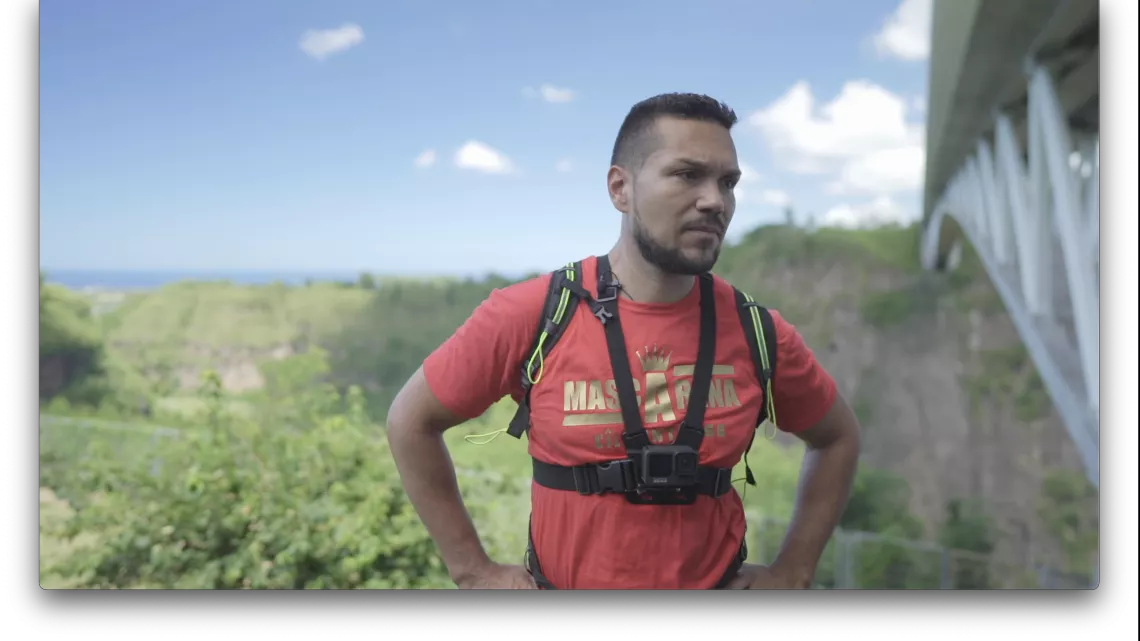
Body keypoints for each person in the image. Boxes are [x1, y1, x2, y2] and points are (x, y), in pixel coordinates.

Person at [386, 92, 861, 590]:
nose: (714, 200)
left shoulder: (756, 331)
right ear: (621, 188)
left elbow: (837, 437)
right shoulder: (537, 313)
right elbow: (410, 421)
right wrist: (472, 570)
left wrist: (794, 570)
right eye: (686, 174)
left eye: (727, 182)